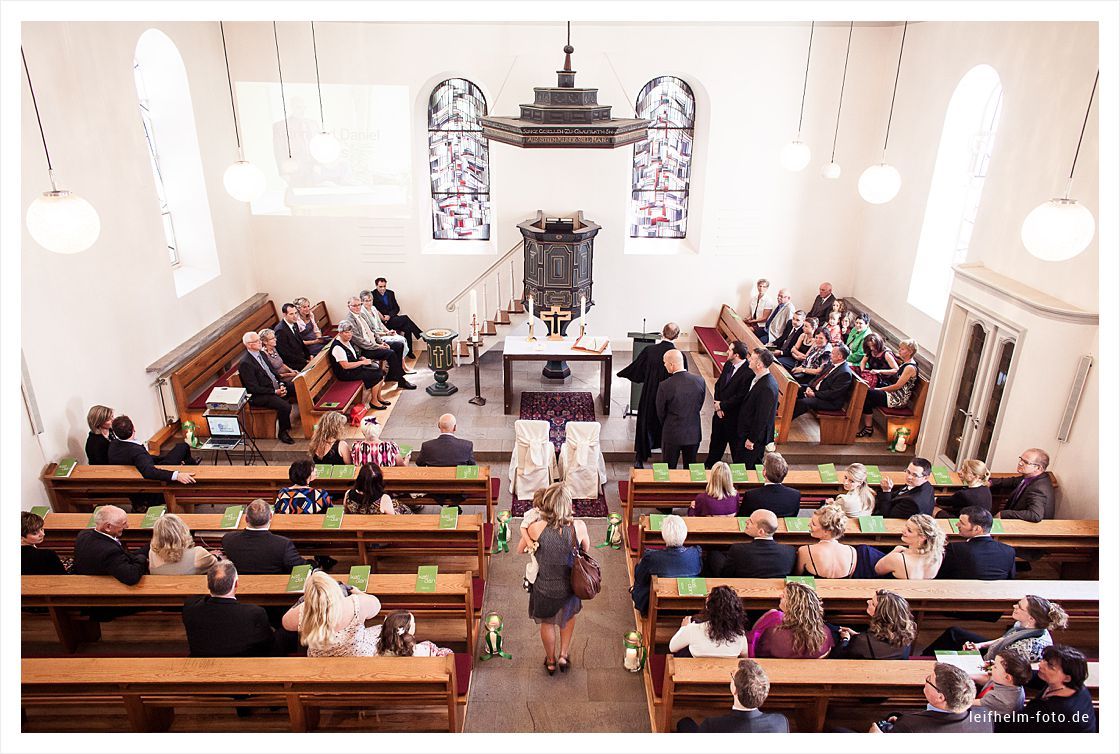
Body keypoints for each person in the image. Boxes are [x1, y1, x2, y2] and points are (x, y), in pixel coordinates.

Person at [517, 483, 591, 675]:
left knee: (547, 623)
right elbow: (586, 550)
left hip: (544, 587)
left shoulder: (535, 529)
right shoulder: (578, 526)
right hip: (570, 587)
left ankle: (550, 661)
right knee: (567, 619)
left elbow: (521, 548)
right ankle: (563, 656)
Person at [617, 322, 687, 466]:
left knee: (645, 423)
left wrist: (625, 374)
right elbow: (683, 378)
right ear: (677, 336)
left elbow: (637, 371)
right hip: (671, 398)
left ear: (662, 333)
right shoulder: (679, 356)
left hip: (650, 394)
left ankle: (640, 458)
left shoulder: (649, 351)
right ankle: (666, 459)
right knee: (666, 424)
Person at [924, 594, 1068, 662]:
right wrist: (980, 646)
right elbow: (1005, 639)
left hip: (999, 667)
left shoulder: (1026, 648)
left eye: (1019, 607)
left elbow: (1000, 668)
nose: (1014, 607)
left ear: (1031, 618)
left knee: (952, 659)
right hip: (1000, 651)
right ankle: (925, 658)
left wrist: (971, 658)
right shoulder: (1027, 625)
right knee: (954, 633)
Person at [182, 561, 277, 657]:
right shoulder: (254, 613)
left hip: (202, 660)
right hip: (243, 663)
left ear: (208, 585)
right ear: (236, 584)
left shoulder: (190, 607)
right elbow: (267, 643)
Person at [995, 645, 1097, 733]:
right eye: (1045, 660)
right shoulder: (1065, 684)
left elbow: (1011, 727)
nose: (1041, 664)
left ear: (1067, 678)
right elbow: (1026, 677)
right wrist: (998, 673)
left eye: (1050, 666)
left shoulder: (1055, 710)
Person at [282, 570, 383, 657]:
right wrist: (358, 592)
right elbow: (377, 606)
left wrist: (304, 602)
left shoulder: (303, 610)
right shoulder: (356, 603)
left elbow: (286, 623)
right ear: (335, 589)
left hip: (319, 659)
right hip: (357, 655)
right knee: (381, 629)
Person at [870, 662, 992, 733]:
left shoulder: (910, 726)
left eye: (929, 680)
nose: (926, 681)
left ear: (940, 697)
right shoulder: (984, 715)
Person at [676, 659, 789, 733]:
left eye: (732, 676)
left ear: (735, 690)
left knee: (684, 723)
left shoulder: (712, 726)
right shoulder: (780, 722)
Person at [630, 514, 701, 616]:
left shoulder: (652, 557)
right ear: (685, 534)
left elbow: (639, 577)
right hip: (688, 608)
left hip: (658, 606)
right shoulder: (696, 553)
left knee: (640, 582)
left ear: (663, 536)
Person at [340, 297, 416, 390]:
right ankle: (401, 381)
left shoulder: (362, 315)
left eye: (359, 304)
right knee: (390, 353)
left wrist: (381, 342)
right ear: (349, 306)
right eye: (354, 305)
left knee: (399, 345)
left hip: (374, 343)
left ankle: (392, 375)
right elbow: (360, 341)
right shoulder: (349, 321)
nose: (357, 307)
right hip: (364, 350)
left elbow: (373, 330)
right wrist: (378, 346)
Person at [237, 331, 296, 445]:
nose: (260, 343)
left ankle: (307, 420)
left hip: (273, 387)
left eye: (259, 340)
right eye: (257, 341)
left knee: (296, 388)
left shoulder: (262, 354)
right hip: (260, 395)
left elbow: (273, 373)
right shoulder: (245, 363)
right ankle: (283, 432)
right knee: (285, 406)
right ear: (249, 345)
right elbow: (252, 388)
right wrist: (275, 391)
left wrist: (281, 384)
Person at [750, 581, 834, 658]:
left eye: (784, 595)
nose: (780, 596)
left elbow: (759, 653)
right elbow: (826, 654)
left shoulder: (774, 633)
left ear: (792, 606)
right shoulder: (825, 632)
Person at [221, 499, 307, 575]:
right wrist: (314, 564)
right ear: (270, 516)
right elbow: (299, 568)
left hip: (239, 587)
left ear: (246, 519)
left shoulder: (228, 539)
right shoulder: (282, 544)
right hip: (275, 588)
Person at [654, 348, 706, 469]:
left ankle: (670, 488)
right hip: (693, 433)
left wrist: (668, 423)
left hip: (672, 433)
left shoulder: (665, 385)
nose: (664, 365)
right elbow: (699, 404)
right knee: (691, 469)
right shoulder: (700, 381)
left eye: (665, 363)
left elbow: (660, 411)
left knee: (669, 468)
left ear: (672, 364)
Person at [107, 415, 197, 483]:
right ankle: (193, 469)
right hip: (156, 476)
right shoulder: (136, 452)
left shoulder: (114, 444)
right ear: (133, 428)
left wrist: (160, 458)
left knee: (174, 452)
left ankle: (189, 463)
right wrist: (176, 475)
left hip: (133, 473)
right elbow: (149, 471)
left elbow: (142, 459)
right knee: (182, 447)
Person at [857, 338, 919, 438]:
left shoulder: (910, 367)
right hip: (893, 394)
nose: (899, 351)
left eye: (902, 349)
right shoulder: (905, 363)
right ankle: (868, 428)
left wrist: (878, 390)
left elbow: (897, 386)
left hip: (898, 399)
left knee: (867, 392)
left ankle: (867, 427)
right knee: (867, 396)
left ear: (910, 351)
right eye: (899, 348)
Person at [708, 510, 797, 579]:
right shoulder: (790, 551)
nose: (746, 522)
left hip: (742, 587)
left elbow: (726, 575)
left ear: (761, 532)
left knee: (713, 554)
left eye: (750, 521)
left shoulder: (738, 549)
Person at [704, 341, 752, 467]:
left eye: (729, 350)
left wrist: (722, 406)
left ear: (736, 355)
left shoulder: (749, 372)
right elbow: (718, 385)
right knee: (715, 444)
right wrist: (717, 405)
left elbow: (740, 396)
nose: (727, 352)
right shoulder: (728, 365)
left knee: (735, 449)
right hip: (719, 414)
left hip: (733, 417)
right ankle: (710, 467)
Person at [72, 505, 147, 584]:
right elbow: (131, 577)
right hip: (99, 587)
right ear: (108, 527)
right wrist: (142, 558)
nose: (127, 526)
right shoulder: (110, 551)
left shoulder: (83, 534)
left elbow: (123, 556)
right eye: (123, 524)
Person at [937, 505, 1017, 580]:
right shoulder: (1009, 551)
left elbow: (940, 575)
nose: (957, 524)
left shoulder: (955, 549)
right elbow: (1010, 578)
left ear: (977, 529)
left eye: (962, 523)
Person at [832, 589, 916, 660]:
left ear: (880, 614)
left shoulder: (862, 641)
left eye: (872, 604)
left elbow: (838, 656)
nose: (868, 601)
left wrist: (845, 639)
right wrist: (857, 635)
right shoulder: (906, 634)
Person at [669, 586, 750, 658]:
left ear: (708, 607)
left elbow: (672, 647)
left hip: (695, 671)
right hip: (726, 674)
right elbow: (745, 656)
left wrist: (683, 628)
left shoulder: (693, 629)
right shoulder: (740, 634)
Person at [327, 321, 389, 410]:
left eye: (351, 332)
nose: (349, 334)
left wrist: (361, 358)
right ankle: (374, 401)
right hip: (345, 374)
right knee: (376, 375)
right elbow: (345, 366)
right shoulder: (337, 347)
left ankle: (378, 397)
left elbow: (353, 355)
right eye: (346, 332)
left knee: (380, 371)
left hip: (353, 368)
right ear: (340, 333)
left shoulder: (347, 341)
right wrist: (362, 363)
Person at [737, 348, 779, 468]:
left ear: (759, 365)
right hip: (746, 431)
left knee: (747, 467)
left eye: (753, 358)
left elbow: (762, 417)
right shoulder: (758, 378)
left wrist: (751, 439)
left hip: (753, 438)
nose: (749, 359)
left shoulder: (767, 387)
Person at [874, 513, 946, 579]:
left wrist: (895, 550)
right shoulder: (938, 554)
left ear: (922, 537)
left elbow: (877, 570)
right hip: (919, 588)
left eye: (909, 530)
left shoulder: (897, 559)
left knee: (864, 550)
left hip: (893, 588)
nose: (903, 530)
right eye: (905, 527)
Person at [992, 448, 1055, 522]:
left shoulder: (1039, 488)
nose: (1020, 463)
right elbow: (1014, 481)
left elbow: (1035, 515)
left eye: (1025, 462)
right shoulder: (1031, 477)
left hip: (1028, 528)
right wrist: (991, 482)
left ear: (1038, 468)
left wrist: (1004, 514)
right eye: (1021, 459)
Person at [792, 343, 854, 418]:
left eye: (832, 353)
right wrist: (809, 387)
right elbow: (818, 377)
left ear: (840, 357)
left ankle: (785, 422)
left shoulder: (845, 373)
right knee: (795, 388)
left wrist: (814, 394)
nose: (830, 354)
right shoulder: (831, 363)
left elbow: (833, 393)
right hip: (817, 391)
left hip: (829, 401)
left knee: (804, 402)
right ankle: (781, 413)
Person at [795, 504, 856, 579]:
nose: (809, 524)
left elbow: (796, 577)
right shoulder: (852, 551)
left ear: (827, 531)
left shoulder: (805, 551)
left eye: (813, 524)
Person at [148, 513, 219, 575]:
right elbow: (216, 566)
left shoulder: (152, 553)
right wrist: (215, 555)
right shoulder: (198, 554)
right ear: (182, 529)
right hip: (193, 589)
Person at [371, 277, 424, 358]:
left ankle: (409, 352)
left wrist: (390, 315)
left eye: (384, 286)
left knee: (408, 328)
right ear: (376, 286)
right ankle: (420, 334)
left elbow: (397, 308)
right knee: (405, 318)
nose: (383, 288)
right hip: (383, 322)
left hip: (393, 319)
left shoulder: (390, 293)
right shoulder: (372, 295)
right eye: (380, 286)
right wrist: (384, 317)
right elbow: (373, 309)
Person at [737, 452, 801, 518]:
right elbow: (793, 517)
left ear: (764, 472)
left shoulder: (751, 496)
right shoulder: (795, 495)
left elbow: (742, 517)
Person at [973, 649, 1031, 714]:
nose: (991, 667)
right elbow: (989, 679)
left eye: (995, 667)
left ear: (1007, 677)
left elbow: (969, 704)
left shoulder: (1000, 700)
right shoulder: (1009, 682)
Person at [374, 611, 453, 657]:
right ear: (407, 630)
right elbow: (448, 656)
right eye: (413, 623)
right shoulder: (425, 650)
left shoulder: (379, 653)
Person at [344, 463, 409, 515]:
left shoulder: (348, 494)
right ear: (379, 481)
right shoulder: (383, 499)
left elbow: (346, 512)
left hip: (358, 524)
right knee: (399, 506)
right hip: (377, 528)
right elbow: (392, 518)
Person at [273, 302, 311, 371]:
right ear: (284, 315)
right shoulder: (280, 331)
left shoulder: (294, 324)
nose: (295, 316)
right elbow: (286, 354)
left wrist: (309, 355)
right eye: (291, 314)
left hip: (301, 358)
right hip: (293, 363)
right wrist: (305, 361)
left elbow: (301, 342)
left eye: (296, 313)